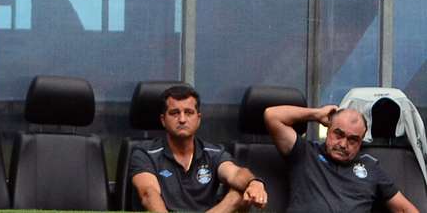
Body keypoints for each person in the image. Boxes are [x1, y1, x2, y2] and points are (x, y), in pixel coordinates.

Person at [129, 85, 268, 212]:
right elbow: (148, 194)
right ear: (163, 120)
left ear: (198, 119)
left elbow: (235, 173)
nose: (182, 119)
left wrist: (254, 182)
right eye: (174, 113)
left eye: (188, 112)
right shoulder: (145, 153)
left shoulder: (214, 153)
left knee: (238, 190)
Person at [264, 104, 419, 212]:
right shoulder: (305, 152)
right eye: (338, 134)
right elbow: (272, 116)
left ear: (361, 142)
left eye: (352, 139)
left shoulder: (370, 167)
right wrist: (316, 114)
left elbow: (405, 209)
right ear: (328, 129)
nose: (344, 144)